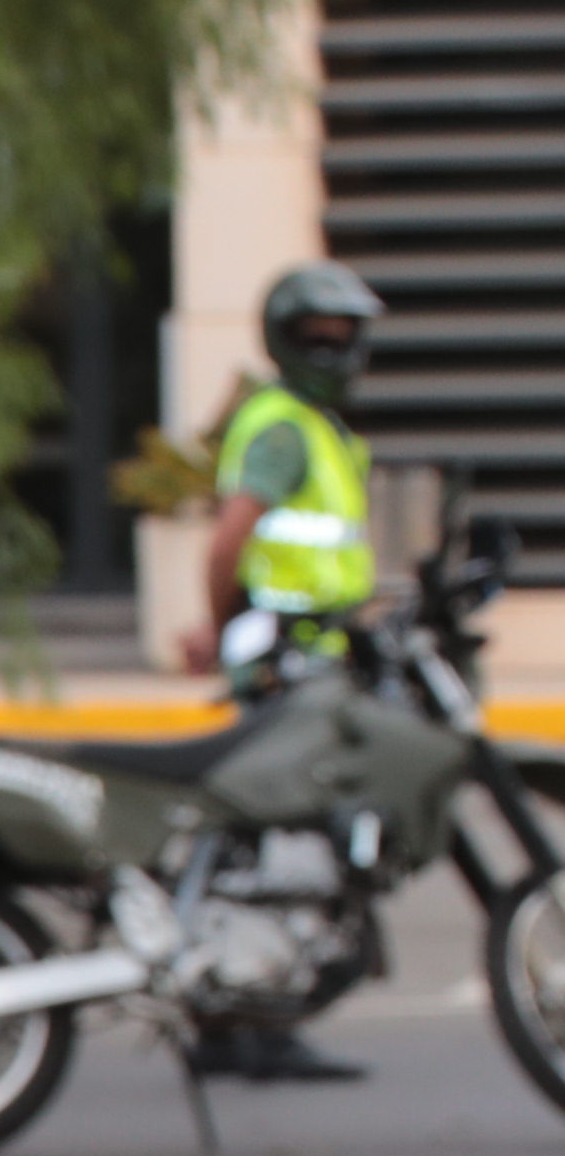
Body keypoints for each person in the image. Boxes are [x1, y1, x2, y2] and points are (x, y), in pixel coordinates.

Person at [178, 257, 390, 1084]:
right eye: (317, 336)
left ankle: (234, 1016)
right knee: (283, 849)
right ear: (284, 340)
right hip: (284, 664)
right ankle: (251, 1017)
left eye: (345, 336)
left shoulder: (315, 427)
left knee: (263, 845)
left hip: (312, 654)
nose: (333, 350)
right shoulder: (282, 428)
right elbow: (231, 536)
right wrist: (222, 623)